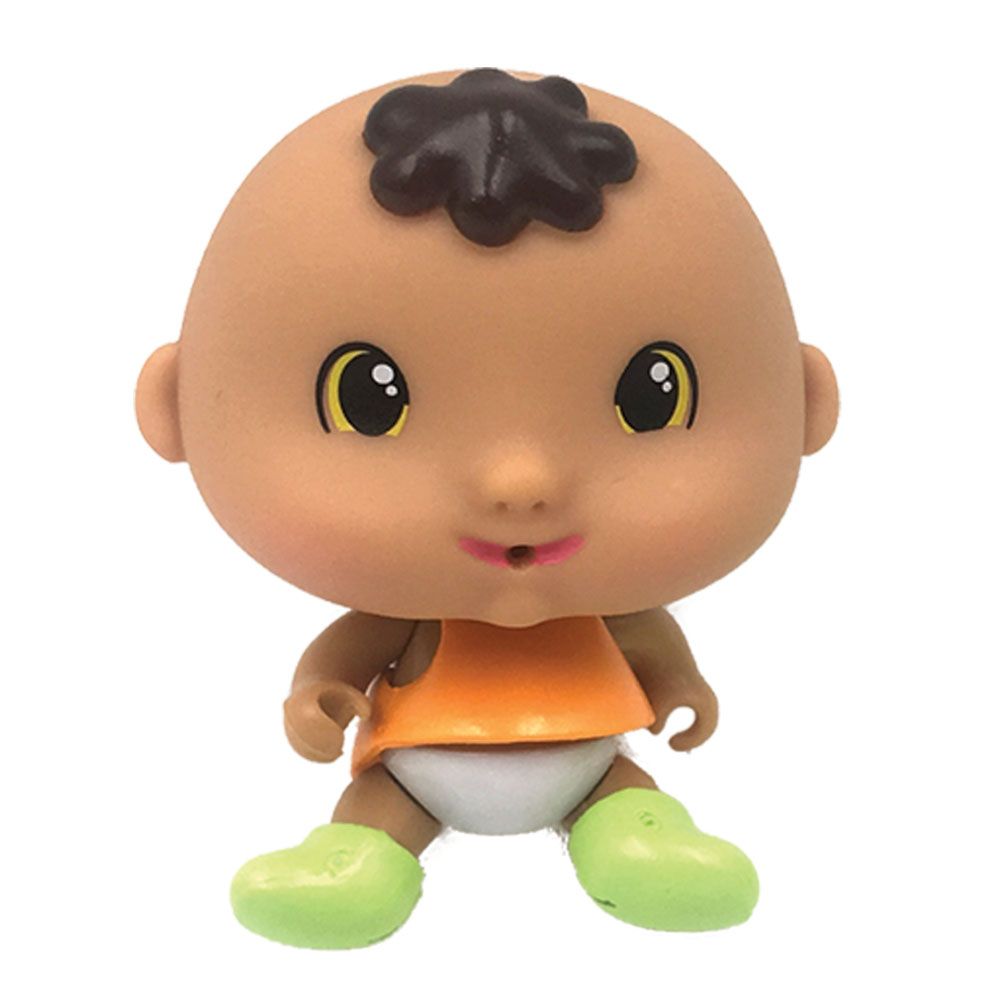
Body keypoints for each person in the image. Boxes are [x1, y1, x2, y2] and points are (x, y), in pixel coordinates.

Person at [135, 68, 839, 949]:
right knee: (381, 804)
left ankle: (639, 844)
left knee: (621, 793)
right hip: (414, 766)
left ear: (807, 404)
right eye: (370, 402)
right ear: (176, 407)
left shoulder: (616, 608)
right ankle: (358, 863)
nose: (519, 479)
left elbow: (652, 641)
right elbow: (342, 657)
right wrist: (318, 693)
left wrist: (679, 683)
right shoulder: (396, 613)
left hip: (588, 756)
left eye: (651, 398)